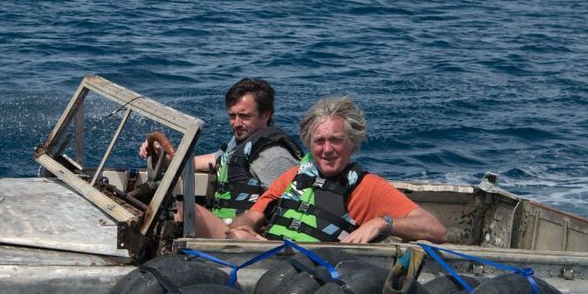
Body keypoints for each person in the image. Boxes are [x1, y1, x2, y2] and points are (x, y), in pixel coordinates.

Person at [226, 95, 447, 244]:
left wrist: (381, 223)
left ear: (353, 144)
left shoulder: (369, 187)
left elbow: (435, 229)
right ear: (309, 144)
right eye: (319, 141)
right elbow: (251, 216)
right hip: (270, 261)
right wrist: (245, 227)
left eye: (336, 140)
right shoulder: (293, 177)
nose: (327, 149)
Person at [141, 78, 301, 238]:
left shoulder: (274, 157)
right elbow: (207, 162)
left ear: (265, 115)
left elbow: (289, 208)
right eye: (232, 116)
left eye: (244, 116)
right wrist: (162, 157)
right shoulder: (239, 145)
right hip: (223, 224)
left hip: (242, 237)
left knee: (183, 210)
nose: (236, 123)